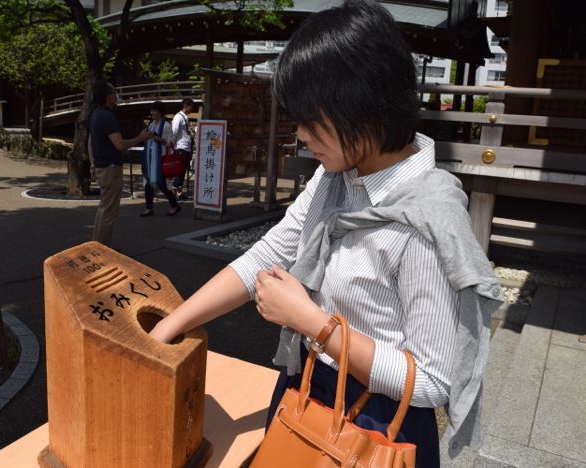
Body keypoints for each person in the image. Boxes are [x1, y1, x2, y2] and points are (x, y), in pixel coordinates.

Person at [149, 1, 502, 466]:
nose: (300, 135)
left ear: (362, 106)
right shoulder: (338, 177)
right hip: (310, 384)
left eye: (311, 121)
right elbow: (267, 254)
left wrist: (311, 322)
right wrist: (168, 329)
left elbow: (433, 381)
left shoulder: (426, 222)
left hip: (376, 422)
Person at [88, 80, 152, 247]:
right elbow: (120, 144)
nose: (117, 95)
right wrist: (140, 138)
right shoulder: (107, 116)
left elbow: (90, 141)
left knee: (104, 209)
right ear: (109, 97)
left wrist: (93, 164)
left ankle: (97, 246)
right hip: (110, 168)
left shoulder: (95, 114)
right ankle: (102, 250)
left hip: (102, 166)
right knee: (109, 212)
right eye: (115, 92)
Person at [140, 101, 181, 217]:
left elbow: (170, 143)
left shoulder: (166, 126)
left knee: (161, 183)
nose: (152, 112)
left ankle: (174, 205)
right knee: (148, 182)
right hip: (150, 159)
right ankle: (149, 208)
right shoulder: (151, 125)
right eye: (152, 110)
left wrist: (160, 140)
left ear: (161, 112)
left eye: (155, 110)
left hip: (160, 160)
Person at [170, 98, 195, 199]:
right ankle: (173, 195)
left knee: (183, 172)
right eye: (191, 107)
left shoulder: (184, 117)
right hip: (180, 147)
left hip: (185, 147)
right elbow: (174, 133)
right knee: (178, 171)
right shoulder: (178, 117)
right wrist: (172, 147)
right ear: (185, 106)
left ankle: (179, 194)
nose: (192, 109)